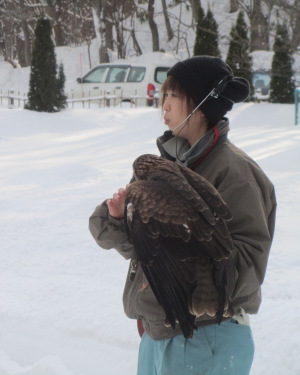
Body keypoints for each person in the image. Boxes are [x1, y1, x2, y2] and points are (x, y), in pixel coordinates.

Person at [89, 56, 276, 375]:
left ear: (202, 105)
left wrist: (186, 267)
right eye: (162, 95)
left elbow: (248, 263)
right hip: (159, 333)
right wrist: (119, 221)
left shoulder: (235, 173)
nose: (163, 104)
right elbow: (146, 249)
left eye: (173, 95)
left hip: (207, 336)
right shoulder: (165, 169)